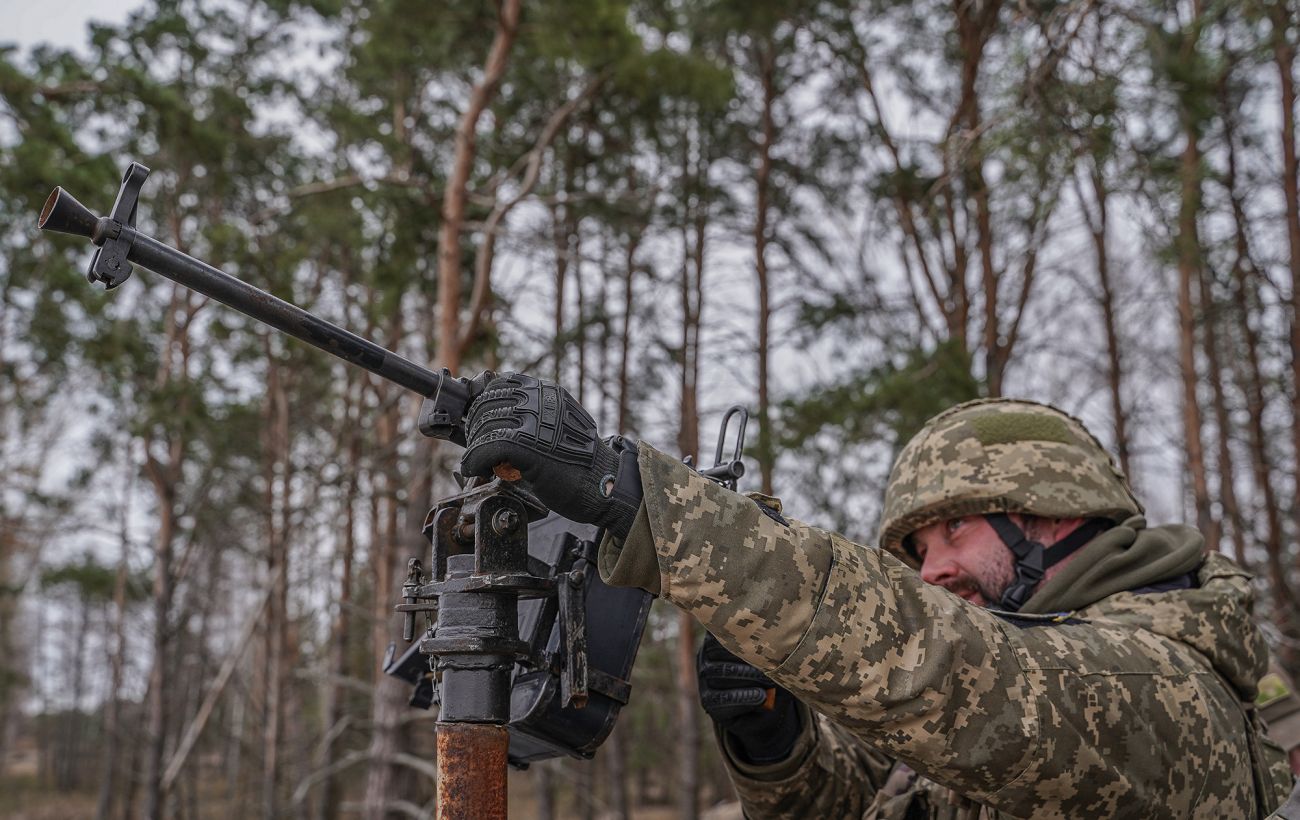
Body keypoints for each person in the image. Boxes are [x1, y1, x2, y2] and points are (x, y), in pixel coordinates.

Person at [459, 374, 1294, 818]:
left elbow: (971, 680)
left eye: (954, 531)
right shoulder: (1008, 688)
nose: (931, 572)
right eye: (916, 551)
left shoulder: (1171, 687)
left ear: (1053, 513)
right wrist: (774, 742)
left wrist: (643, 499)